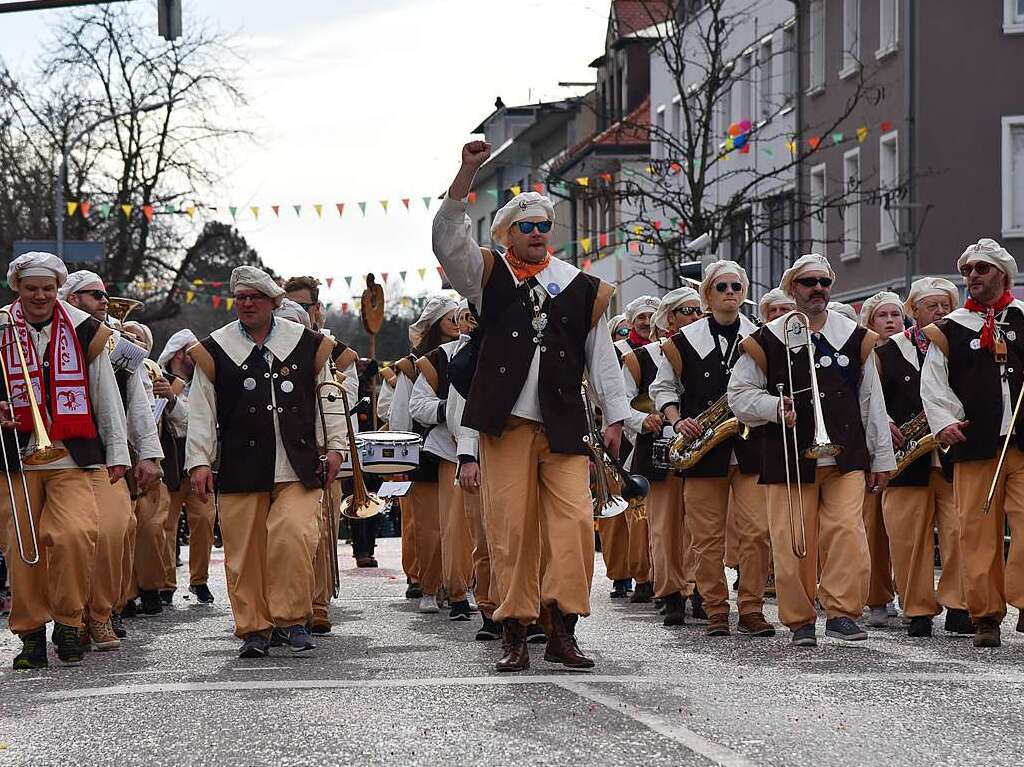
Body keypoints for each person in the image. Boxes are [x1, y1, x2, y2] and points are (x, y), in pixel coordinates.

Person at [433, 140, 628, 672]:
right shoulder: (487, 276)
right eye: (526, 226)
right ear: (506, 234)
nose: (537, 232)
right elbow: (448, 241)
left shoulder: (581, 287)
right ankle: (515, 629)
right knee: (511, 531)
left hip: (564, 427)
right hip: (506, 427)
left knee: (572, 529)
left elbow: (600, 356)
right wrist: (466, 170)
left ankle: (562, 626)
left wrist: (615, 417)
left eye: (544, 225)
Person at [728, 253, 896, 647]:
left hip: (846, 455)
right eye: (808, 282)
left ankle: (841, 612)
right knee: (791, 539)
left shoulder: (856, 336)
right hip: (786, 453)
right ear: (792, 289)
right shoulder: (766, 338)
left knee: (847, 533)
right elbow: (738, 395)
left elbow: (872, 402)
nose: (817, 288)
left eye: (823, 282)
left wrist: (882, 458)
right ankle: (800, 618)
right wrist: (773, 407)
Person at [186, 266, 347, 658]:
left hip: (299, 462)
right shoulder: (215, 348)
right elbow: (202, 410)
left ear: (274, 302)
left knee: (293, 536)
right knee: (244, 551)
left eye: (255, 297)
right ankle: (254, 627)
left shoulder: (307, 343)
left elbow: (329, 397)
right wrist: (199, 461)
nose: (247, 304)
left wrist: (336, 446)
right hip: (242, 464)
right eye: (241, 297)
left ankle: (292, 619)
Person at [0, 252, 130, 669]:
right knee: (23, 550)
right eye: (31, 288)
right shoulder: (1, 327)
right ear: (16, 288)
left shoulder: (84, 328)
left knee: (76, 535)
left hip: (73, 455)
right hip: (14, 457)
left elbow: (105, 393)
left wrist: (118, 452)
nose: (40, 296)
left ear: (59, 290)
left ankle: (70, 622)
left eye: (48, 288)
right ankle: (31, 634)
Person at [652, 261, 773, 638]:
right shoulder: (682, 342)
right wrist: (676, 421)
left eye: (736, 286)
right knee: (706, 537)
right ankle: (716, 608)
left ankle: (752, 609)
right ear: (707, 294)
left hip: (752, 446)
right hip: (703, 449)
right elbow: (663, 389)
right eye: (721, 287)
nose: (730, 293)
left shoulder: (762, 336)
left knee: (756, 532)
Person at [921, 239, 1024, 647]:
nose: (973, 277)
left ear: (1002, 274)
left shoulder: (1022, 318)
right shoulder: (951, 327)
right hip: (975, 446)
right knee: (976, 533)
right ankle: (986, 616)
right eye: (968, 271)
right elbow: (934, 384)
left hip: (1021, 444)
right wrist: (944, 423)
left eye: (981, 269)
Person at [60, 271, 162, 649]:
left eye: (105, 293)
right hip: (59, 455)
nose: (104, 300)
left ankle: (102, 613)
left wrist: (148, 452)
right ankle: (72, 617)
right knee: (70, 539)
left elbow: (138, 400)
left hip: (108, 455)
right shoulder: (47, 339)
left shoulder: (121, 345)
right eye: (94, 295)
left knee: (115, 532)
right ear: (71, 299)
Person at [876, 278, 970, 637]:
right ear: (912, 311)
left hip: (952, 456)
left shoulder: (959, 345)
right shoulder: (886, 352)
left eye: (946, 305)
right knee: (907, 538)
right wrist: (884, 423)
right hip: (907, 457)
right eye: (932, 306)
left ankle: (960, 606)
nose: (941, 312)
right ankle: (917, 609)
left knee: (959, 533)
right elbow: (871, 397)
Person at [625, 287, 703, 626]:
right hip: (657, 449)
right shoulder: (641, 359)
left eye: (699, 311)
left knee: (701, 525)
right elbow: (619, 403)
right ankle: (671, 593)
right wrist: (643, 419)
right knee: (664, 526)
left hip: (703, 446)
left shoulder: (710, 349)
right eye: (687, 311)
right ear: (669, 317)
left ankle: (700, 590)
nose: (695, 318)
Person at [409, 299, 480, 621]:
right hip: (449, 450)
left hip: (496, 449)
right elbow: (416, 407)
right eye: (464, 317)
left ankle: (482, 586)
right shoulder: (438, 359)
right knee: (452, 526)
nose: (470, 323)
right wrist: (447, 412)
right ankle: (454, 590)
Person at [390, 296, 460, 615]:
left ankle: (459, 584)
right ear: (435, 327)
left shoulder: (469, 354)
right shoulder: (412, 366)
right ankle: (429, 584)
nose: (458, 326)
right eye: (451, 320)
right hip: (422, 450)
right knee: (429, 525)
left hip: (461, 450)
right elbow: (402, 414)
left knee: (459, 523)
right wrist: (399, 460)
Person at [151, 328, 216, 610]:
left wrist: (174, 401)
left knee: (204, 519)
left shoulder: (206, 382)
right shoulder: (157, 380)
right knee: (165, 524)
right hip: (169, 462)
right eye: (193, 350)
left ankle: (199, 580)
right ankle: (165, 584)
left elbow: (198, 422)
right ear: (180, 354)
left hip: (198, 461)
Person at [605, 295, 658, 602]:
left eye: (652, 315)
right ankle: (627, 573)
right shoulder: (618, 353)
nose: (647, 321)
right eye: (641, 316)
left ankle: (654, 572)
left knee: (647, 514)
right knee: (623, 513)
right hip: (621, 436)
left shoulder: (665, 350)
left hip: (652, 434)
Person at [858, 292, 904, 627]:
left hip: (908, 448)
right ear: (871, 323)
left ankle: (908, 591)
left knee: (901, 530)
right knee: (872, 528)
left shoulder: (915, 348)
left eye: (896, 315)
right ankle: (876, 597)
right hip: (871, 448)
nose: (891, 321)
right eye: (883, 316)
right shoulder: (866, 353)